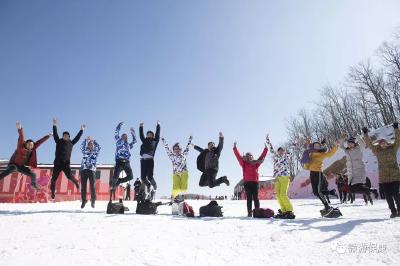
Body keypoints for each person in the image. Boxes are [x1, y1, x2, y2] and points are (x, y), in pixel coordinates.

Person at [363, 122, 400, 218]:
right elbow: (369, 144)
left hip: (395, 176)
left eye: (384, 142)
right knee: (388, 196)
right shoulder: (377, 151)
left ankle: (399, 210)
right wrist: (365, 134)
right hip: (384, 178)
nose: (383, 144)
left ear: (387, 142)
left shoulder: (392, 148)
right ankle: (393, 211)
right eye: (381, 143)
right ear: (379, 145)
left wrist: (396, 128)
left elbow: (398, 140)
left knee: (397, 195)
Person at [0, 122, 51, 189]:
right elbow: (21, 137)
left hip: (21, 166)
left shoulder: (33, 149)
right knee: (12, 169)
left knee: (33, 174)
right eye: (29, 144)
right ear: (26, 144)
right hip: (13, 164)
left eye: (32, 145)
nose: (30, 146)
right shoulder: (21, 146)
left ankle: (33, 184)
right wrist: (20, 129)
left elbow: (40, 142)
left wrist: (48, 136)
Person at [339, 134, 378, 205]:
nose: (350, 145)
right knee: (351, 189)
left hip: (359, 170)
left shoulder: (358, 148)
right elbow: (341, 146)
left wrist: (357, 136)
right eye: (348, 144)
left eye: (351, 143)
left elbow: (363, 144)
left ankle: (370, 191)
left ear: (354, 144)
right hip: (352, 172)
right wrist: (342, 139)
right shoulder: (347, 151)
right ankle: (371, 190)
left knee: (356, 187)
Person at [51, 118, 85, 199]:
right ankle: (52, 192)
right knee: (53, 179)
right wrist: (54, 125)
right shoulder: (58, 141)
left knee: (69, 176)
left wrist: (81, 130)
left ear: (69, 137)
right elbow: (55, 134)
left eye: (67, 136)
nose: (65, 136)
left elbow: (77, 137)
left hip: (66, 163)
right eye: (64, 135)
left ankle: (76, 182)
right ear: (62, 136)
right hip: (57, 163)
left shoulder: (71, 143)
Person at [303, 139, 339, 213]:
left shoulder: (322, 154)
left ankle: (327, 206)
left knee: (319, 191)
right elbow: (307, 160)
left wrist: (336, 146)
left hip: (318, 173)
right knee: (315, 192)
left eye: (318, 145)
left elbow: (330, 153)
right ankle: (331, 192)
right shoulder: (311, 154)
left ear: (320, 147)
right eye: (315, 145)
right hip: (312, 173)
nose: (316, 146)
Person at [233, 140, 268, 217]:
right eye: (248, 156)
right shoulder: (244, 164)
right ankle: (249, 212)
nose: (250, 157)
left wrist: (265, 149)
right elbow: (238, 157)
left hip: (255, 183)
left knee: (256, 198)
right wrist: (235, 148)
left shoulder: (256, 163)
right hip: (247, 183)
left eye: (251, 156)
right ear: (246, 158)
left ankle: (257, 211)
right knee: (249, 198)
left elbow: (262, 157)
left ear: (252, 157)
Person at [266, 135, 295, 219]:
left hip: (284, 177)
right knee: (278, 195)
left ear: (284, 152)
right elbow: (271, 149)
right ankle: (283, 210)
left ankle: (289, 210)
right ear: (278, 152)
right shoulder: (276, 157)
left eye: (282, 151)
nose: (281, 152)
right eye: (279, 151)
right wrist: (268, 140)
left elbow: (292, 149)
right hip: (277, 178)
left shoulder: (286, 157)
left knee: (283, 194)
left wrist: (295, 142)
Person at [110, 122, 136, 190]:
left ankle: (119, 181)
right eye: (123, 136)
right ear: (121, 137)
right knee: (116, 175)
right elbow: (116, 132)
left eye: (126, 136)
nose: (125, 137)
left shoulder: (128, 145)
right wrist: (119, 125)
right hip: (119, 161)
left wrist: (132, 132)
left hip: (127, 162)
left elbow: (135, 140)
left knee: (131, 177)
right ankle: (113, 186)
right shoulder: (118, 141)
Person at [139, 121, 161, 196]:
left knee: (150, 176)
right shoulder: (144, 140)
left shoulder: (155, 141)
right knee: (142, 177)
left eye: (150, 134)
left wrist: (158, 125)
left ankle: (154, 184)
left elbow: (158, 134)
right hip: (143, 160)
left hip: (150, 160)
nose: (149, 135)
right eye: (147, 134)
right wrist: (141, 127)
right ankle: (148, 185)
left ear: (152, 135)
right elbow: (141, 136)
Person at [80, 136, 101, 208]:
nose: (90, 145)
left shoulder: (95, 151)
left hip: (92, 170)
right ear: (87, 145)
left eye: (91, 144)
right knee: (83, 186)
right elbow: (82, 146)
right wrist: (86, 140)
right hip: (84, 170)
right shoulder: (85, 150)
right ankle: (83, 200)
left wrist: (93, 140)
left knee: (92, 186)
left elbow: (99, 146)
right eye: (89, 144)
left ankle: (93, 201)